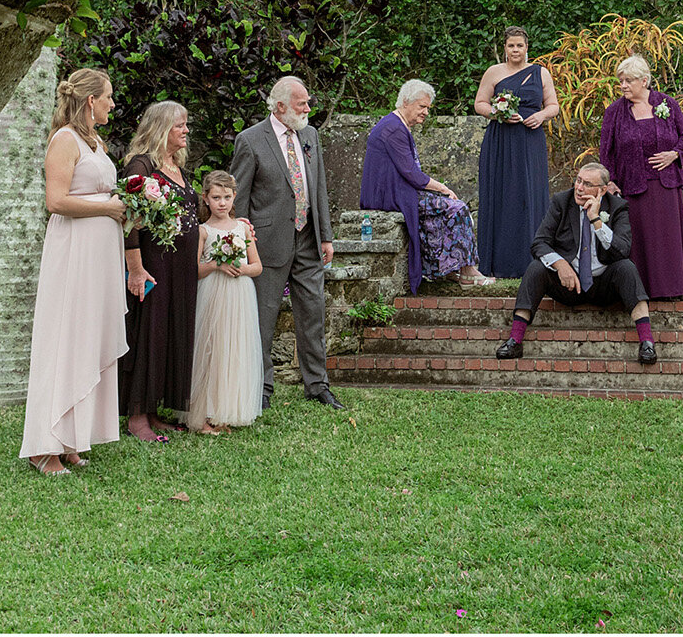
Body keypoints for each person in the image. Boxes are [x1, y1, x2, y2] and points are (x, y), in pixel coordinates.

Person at [19, 68, 128, 476]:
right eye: (108, 97)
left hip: (98, 255)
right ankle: (43, 446)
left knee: (86, 338)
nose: (112, 104)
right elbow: (56, 200)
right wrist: (109, 207)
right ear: (89, 101)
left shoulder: (94, 142)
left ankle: (71, 439)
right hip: (73, 252)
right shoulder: (64, 140)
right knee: (65, 338)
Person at [230, 75, 342, 410]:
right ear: (280, 107)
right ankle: (261, 387)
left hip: (307, 240)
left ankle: (317, 385)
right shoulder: (250, 140)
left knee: (313, 313)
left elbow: (317, 186)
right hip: (267, 243)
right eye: (301, 103)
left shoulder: (310, 135)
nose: (308, 108)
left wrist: (326, 236)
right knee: (263, 318)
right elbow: (240, 198)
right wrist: (243, 241)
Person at [495, 162, 658, 364]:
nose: (579, 188)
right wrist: (560, 264)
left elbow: (622, 249)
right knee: (536, 268)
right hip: (568, 285)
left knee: (627, 268)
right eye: (578, 180)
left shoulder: (617, 207)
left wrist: (596, 220)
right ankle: (515, 340)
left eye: (587, 184)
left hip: (605, 286)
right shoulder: (561, 201)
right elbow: (539, 243)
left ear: (602, 190)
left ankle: (647, 343)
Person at [118, 99, 199, 443]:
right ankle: (136, 415)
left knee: (169, 333)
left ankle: (153, 410)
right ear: (162, 128)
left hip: (181, 268)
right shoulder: (142, 165)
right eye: (179, 125)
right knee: (148, 333)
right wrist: (135, 269)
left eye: (185, 125)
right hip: (152, 265)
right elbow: (130, 221)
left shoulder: (177, 165)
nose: (185, 131)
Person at [362, 79, 493, 291]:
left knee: (446, 205)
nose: (426, 112)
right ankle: (467, 271)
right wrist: (443, 188)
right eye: (422, 106)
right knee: (457, 208)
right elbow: (411, 173)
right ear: (405, 102)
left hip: (396, 191)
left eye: (428, 108)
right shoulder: (393, 128)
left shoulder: (396, 125)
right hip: (391, 195)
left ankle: (449, 269)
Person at [598, 54, 683, 301]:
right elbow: (606, 150)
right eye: (621, 80)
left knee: (667, 238)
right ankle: (641, 290)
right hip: (632, 185)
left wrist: (674, 154)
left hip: (666, 184)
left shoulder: (667, 104)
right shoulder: (614, 113)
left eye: (628, 80)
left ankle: (674, 289)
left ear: (644, 81)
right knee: (640, 240)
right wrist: (609, 181)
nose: (623, 85)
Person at [472, 26, 558, 278]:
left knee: (529, 195)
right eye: (511, 46)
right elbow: (479, 104)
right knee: (502, 194)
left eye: (519, 45)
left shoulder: (541, 73)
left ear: (527, 47)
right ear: (505, 48)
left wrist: (540, 116)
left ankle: (532, 261)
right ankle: (497, 262)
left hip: (530, 140)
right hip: (501, 141)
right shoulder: (494, 72)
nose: (515, 50)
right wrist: (498, 113)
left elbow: (553, 105)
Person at [188, 170, 265, 434]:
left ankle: (226, 409)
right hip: (213, 293)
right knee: (213, 348)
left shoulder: (242, 228)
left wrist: (241, 269)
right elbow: (196, 269)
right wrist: (216, 264)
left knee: (234, 349)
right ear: (206, 199)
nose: (222, 203)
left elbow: (257, 266)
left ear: (234, 198)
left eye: (227, 197)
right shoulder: (203, 231)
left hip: (239, 294)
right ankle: (206, 413)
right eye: (216, 197)